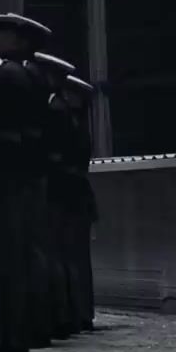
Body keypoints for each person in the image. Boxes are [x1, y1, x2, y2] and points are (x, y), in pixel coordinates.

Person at [0, 12, 48, 352]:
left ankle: (8, 337)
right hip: (17, 175)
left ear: (11, 40)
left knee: (0, 258)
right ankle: (19, 330)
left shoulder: (2, 72)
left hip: (0, 176)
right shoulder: (28, 74)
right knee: (14, 257)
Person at [34, 51, 81, 339]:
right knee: (61, 256)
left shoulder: (52, 109)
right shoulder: (65, 110)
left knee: (51, 253)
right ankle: (68, 314)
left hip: (54, 188)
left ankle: (59, 316)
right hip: (65, 189)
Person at [61, 75, 99, 332]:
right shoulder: (77, 125)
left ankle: (79, 310)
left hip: (71, 197)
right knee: (76, 258)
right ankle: (80, 310)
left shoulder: (73, 127)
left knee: (73, 258)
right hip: (77, 197)